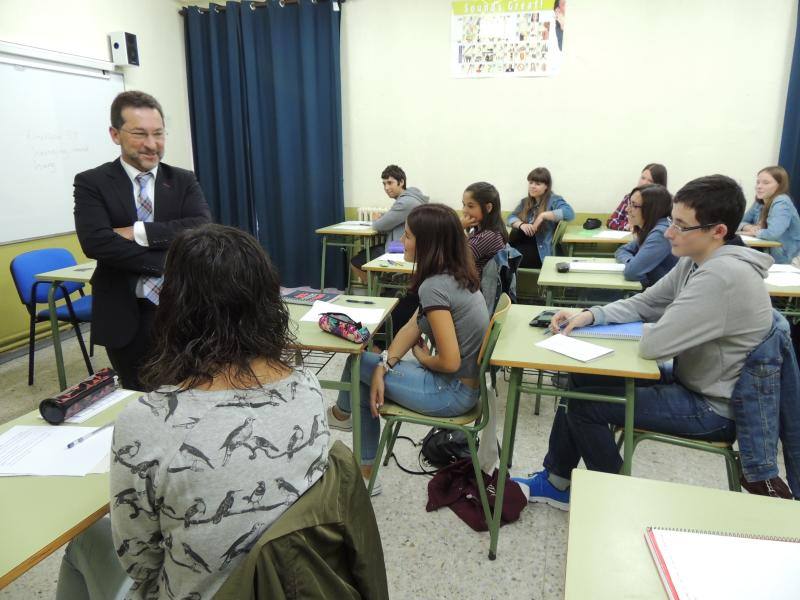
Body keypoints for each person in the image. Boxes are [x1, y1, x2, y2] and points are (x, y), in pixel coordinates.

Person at [55, 224, 329, 599]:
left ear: (174, 304)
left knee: (82, 543)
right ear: (268, 299)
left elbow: (139, 562)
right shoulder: (308, 387)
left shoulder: (147, 422)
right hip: (288, 585)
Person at [513, 175, 773, 510]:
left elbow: (654, 347)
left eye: (680, 225)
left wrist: (661, 326)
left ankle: (619, 502)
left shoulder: (723, 277)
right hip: (692, 377)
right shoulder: (698, 261)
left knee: (583, 406)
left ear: (717, 231)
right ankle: (557, 481)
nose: (667, 232)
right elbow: (648, 302)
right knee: (581, 378)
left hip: (712, 405)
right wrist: (592, 315)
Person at [328, 204, 489, 492]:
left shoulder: (435, 286)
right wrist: (385, 363)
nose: (402, 241)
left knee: (356, 365)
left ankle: (344, 419)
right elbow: (413, 326)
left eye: (408, 236)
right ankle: (364, 465)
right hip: (464, 387)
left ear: (428, 244)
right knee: (367, 372)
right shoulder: (455, 275)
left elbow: (449, 362)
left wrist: (424, 358)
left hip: (451, 392)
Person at [74, 91, 212, 391]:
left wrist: (138, 232)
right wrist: (169, 259)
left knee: (192, 393)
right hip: (125, 312)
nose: (152, 144)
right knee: (138, 395)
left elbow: (201, 228)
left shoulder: (183, 180)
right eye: (139, 134)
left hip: (183, 309)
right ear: (115, 134)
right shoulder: (92, 183)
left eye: (158, 134)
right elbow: (96, 243)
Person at [350, 164, 429, 280]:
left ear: (401, 182)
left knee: (356, 262)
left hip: (400, 249)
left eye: (390, 183)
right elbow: (393, 216)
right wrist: (383, 217)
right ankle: (383, 290)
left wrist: (377, 219)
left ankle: (377, 295)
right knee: (364, 256)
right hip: (409, 247)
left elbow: (379, 226)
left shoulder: (405, 202)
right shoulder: (412, 198)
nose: (386, 187)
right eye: (384, 184)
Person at [506, 167, 574, 268]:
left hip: (538, 250)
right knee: (497, 255)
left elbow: (569, 214)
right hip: (519, 244)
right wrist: (521, 225)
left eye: (537, 184)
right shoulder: (525, 202)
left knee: (503, 261)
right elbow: (510, 218)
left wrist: (543, 215)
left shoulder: (554, 200)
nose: (532, 186)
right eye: (531, 183)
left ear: (546, 186)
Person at [615, 184, 678, 286]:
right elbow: (621, 250)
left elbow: (631, 273)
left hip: (666, 298)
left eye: (634, 205)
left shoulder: (661, 234)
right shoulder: (650, 228)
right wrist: (632, 261)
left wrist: (634, 264)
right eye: (629, 203)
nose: (627, 209)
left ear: (651, 209)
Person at [739, 166, 800, 264]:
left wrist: (755, 232)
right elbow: (739, 222)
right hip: (765, 253)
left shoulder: (782, 202)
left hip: (787, 258)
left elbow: (772, 234)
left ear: (780, 185)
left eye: (765, 183)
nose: (759, 186)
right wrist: (748, 227)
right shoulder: (760, 202)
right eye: (758, 182)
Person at [461, 181, 508, 277]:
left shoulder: (488, 236)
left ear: (488, 208)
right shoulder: (476, 230)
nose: (464, 210)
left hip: (474, 288)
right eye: (463, 204)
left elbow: (456, 260)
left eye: (470, 206)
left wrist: (457, 227)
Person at [607, 163, 668, 231]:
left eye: (650, 181)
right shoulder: (630, 197)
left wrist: (639, 226)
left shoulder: (665, 204)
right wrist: (628, 226)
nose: (644, 183)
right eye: (643, 178)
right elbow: (611, 221)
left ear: (659, 185)